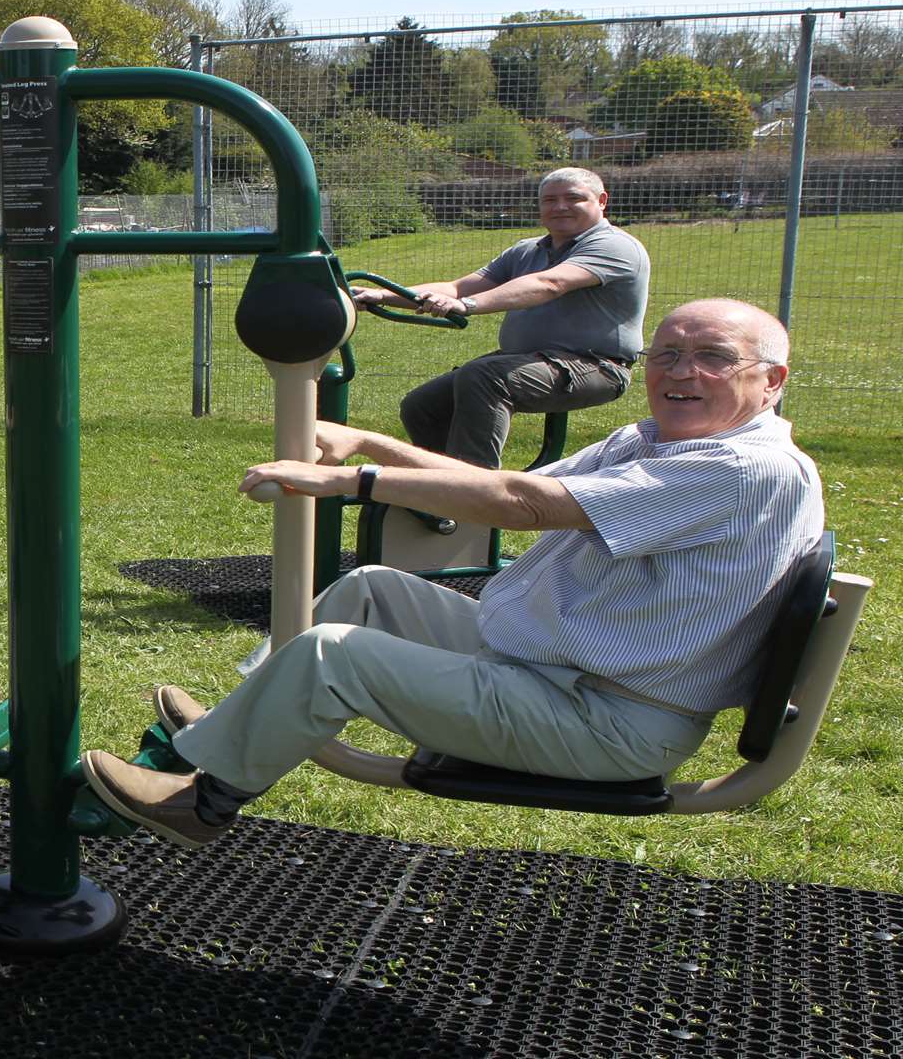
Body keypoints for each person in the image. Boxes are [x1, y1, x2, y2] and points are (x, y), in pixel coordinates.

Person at [81, 299, 821, 848]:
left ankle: (202, 802)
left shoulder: (747, 470)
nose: (680, 372)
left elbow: (525, 504)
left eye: (714, 357)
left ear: (773, 380)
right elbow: (494, 489)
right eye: (664, 354)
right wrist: (369, 441)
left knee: (333, 654)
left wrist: (355, 481)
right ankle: (231, 725)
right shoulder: (652, 440)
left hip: (606, 719)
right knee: (371, 588)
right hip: (550, 667)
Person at [351, 167, 649, 469]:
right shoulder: (526, 250)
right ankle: (437, 486)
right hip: (530, 358)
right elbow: (456, 287)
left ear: (601, 201)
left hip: (596, 366)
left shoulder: (614, 246)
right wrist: (382, 295)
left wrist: (466, 305)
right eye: (549, 200)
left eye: (573, 198)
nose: (560, 207)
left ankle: (474, 492)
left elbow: (550, 284)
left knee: (485, 376)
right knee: (422, 406)